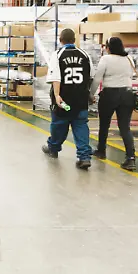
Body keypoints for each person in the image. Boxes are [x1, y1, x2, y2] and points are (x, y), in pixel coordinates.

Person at [42, 28, 94, 169]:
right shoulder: (85, 55)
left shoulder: (58, 55)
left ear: (60, 40)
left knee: (59, 124)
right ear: (74, 40)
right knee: (81, 125)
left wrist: (57, 95)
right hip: (80, 99)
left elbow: (56, 77)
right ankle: (84, 157)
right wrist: (90, 94)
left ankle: (53, 148)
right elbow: (91, 77)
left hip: (64, 100)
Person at [91, 36, 138, 171]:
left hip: (110, 95)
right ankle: (130, 158)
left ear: (108, 48)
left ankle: (101, 150)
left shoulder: (106, 59)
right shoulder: (129, 59)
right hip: (127, 94)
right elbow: (130, 76)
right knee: (125, 127)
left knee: (104, 124)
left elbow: (97, 79)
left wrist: (91, 94)